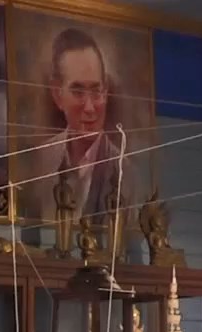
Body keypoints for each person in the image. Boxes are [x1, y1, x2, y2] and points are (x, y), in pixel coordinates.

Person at [38, 28, 127, 222]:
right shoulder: (40, 160)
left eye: (96, 91)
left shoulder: (126, 173)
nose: (89, 107)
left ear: (105, 92)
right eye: (78, 92)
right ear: (57, 94)